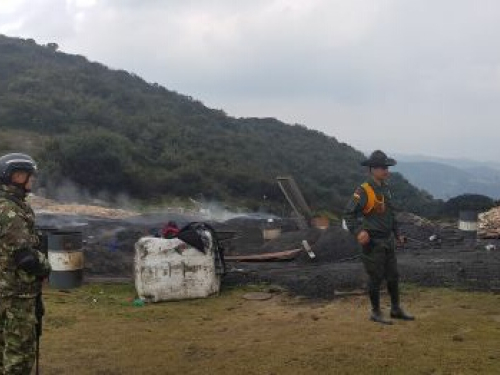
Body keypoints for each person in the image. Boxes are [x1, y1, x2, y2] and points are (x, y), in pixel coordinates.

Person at [344, 150, 414, 325]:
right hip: (372, 242)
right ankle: (375, 312)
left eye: (387, 167)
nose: (386, 171)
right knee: (375, 277)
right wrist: (359, 231)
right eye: (382, 168)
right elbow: (348, 214)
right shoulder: (363, 190)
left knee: (393, 275)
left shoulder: (385, 188)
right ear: (372, 169)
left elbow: (391, 215)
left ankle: (395, 309)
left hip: (388, 239)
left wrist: (398, 234)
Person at [0, 153, 51, 373]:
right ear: (17, 176)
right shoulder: (9, 211)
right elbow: (25, 257)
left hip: (7, 292)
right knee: (18, 356)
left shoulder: (13, 205)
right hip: (15, 295)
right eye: (29, 175)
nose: (33, 180)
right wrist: (45, 264)